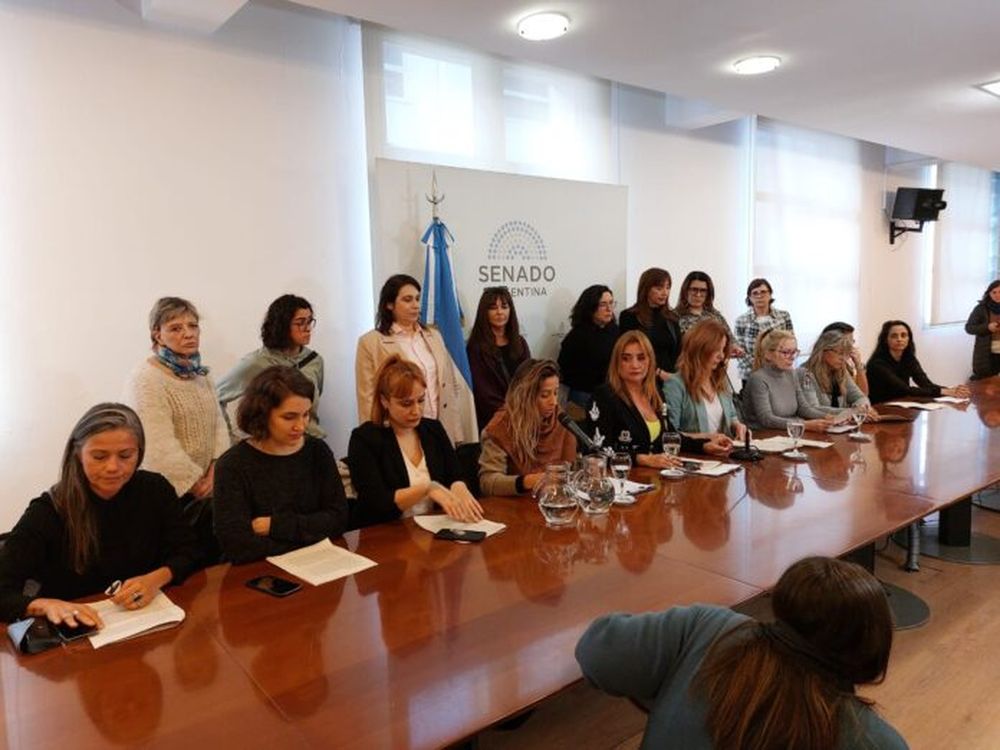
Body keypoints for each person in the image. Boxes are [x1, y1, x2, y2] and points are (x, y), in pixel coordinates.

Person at [575, 556, 907, 750]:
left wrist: (665, 691)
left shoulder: (709, 628)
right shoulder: (871, 739)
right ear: (872, 646)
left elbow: (596, 653)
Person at [0, 403, 199, 627]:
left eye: (126, 455)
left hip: (144, 622)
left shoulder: (155, 489)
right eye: (99, 456)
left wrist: (156, 579)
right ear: (78, 454)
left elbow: (187, 550)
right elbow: (4, 590)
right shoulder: (49, 511)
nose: (113, 467)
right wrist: (43, 604)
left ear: (139, 452)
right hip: (76, 633)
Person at [124, 297, 230, 561]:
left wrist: (216, 469)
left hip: (209, 487)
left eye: (193, 326)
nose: (188, 334)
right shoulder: (146, 379)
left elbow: (219, 424)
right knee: (182, 566)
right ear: (157, 334)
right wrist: (196, 483)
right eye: (175, 328)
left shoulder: (201, 374)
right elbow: (158, 442)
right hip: (169, 495)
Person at [213, 366, 349, 564]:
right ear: (263, 414)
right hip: (260, 573)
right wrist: (308, 536)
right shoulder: (232, 465)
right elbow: (237, 545)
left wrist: (274, 525)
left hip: (319, 564)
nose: (301, 426)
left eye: (305, 414)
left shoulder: (318, 451)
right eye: (289, 417)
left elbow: (338, 519)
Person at [349, 355, 484, 527]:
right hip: (386, 534)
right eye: (406, 404)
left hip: (436, 528)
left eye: (421, 400)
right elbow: (376, 503)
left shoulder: (433, 429)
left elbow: (455, 473)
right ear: (384, 401)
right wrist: (427, 488)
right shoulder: (365, 439)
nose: (416, 410)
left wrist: (459, 486)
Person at [356, 274, 477, 446]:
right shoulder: (371, 342)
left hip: (440, 428)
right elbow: (367, 398)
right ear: (389, 304)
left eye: (417, 299)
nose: (415, 305)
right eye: (407, 300)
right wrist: (374, 439)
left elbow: (447, 388)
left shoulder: (434, 336)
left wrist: (456, 433)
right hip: (397, 432)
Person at [589, 331, 732, 462]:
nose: (635, 365)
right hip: (625, 479)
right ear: (617, 363)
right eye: (626, 359)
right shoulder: (604, 396)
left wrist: (704, 446)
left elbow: (669, 437)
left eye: (641, 358)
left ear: (650, 361)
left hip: (658, 476)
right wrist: (643, 459)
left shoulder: (654, 394)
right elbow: (599, 451)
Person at [217, 294, 326, 440]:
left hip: (310, 442)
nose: (307, 329)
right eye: (300, 323)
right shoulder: (256, 362)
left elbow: (311, 406)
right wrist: (228, 440)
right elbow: (216, 396)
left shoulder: (315, 361)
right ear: (282, 325)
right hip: (272, 447)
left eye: (309, 321)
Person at [479, 359, 577, 496]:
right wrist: (527, 481)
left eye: (555, 393)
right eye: (545, 395)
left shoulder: (560, 419)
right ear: (525, 396)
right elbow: (488, 482)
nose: (553, 402)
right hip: (514, 507)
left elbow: (573, 469)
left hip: (556, 501)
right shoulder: (501, 427)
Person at [663, 319, 748, 441]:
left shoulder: (721, 381)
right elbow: (671, 434)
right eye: (716, 350)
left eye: (723, 350)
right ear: (699, 349)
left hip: (723, 453)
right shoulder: (675, 384)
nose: (721, 356)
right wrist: (707, 437)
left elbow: (732, 415)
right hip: (696, 456)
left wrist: (738, 426)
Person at [465, 286, 531, 431]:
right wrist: (508, 413)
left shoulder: (520, 342)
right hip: (494, 421)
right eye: (493, 308)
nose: (500, 312)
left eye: (504, 306)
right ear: (484, 312)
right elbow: (483, 391)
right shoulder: (475, 347)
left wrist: (524, 408)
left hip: (523, 417)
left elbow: (529, 379)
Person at [743, 328, 835, 432]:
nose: (791, 357)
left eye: (794, 352)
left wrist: (829, 418)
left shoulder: (791, 374)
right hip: (764, 437)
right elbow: (766, 419)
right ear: (768, 354)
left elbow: (803, 408)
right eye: (786, 352)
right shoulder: (758, 379)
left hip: (789, 433)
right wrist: (805, 425)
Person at [866, 320, 970, 404]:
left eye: (904, 335)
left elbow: (925, 384)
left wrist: (952, 390)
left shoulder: (909, 358)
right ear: (885, 339)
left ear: (909, 339)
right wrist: (944, 391)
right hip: (880, 408)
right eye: (894, 336)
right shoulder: (877, 364)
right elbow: (904, 389)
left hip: (902, 403)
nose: (899, 339)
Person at [557, 284, 619, 414]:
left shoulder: (615, 330)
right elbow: (565, 371)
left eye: (611, 303)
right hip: (585, 396)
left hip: (613, 393)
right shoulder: (576, 337)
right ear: (590, 308)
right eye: (603, 304)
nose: (609, 309)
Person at [617, 268, 682, 382]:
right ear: (646, 289)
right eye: (659, 288)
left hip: (669, 380)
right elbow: (627, 354)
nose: (665, 292)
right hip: (642, 379)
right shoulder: (629, 316)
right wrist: (659, 372)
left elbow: (678, 352)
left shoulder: (672, 318)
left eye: (668, 287)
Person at [799, 330, 876, 418]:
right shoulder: (805, 373)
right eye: (840, 353)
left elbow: (860, 397)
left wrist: (863, 408)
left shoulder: (841, 371)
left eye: (846, 354)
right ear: (823, 350)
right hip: (818, 427)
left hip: (841, 425)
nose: (843, 358)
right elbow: (813, 409)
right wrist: (853, 411)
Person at [734, 278, 794, 387]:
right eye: (755, 293)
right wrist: (760, 367)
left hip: (779, 372)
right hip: (751, 374)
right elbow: (740, 350)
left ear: (770, 295)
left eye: (763, 292)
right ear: (750, 298)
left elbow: (791, 343)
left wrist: (777, 364)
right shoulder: (741, 320)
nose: (759, 296)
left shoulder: (783, 316)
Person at [674, 271, 742, 358]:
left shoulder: (716, 316)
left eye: (703, 291)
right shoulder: (674, 317)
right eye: (694, 289)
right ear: (685, 291)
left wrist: (734, 348)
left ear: (708, 293)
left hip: (716, 368)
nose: (698, 294)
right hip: (687, 367)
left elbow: (730, 340)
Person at [964, 280, 1000, 380]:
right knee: (986, 385)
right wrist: (987, 327)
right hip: (986, 354)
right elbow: (969, 328)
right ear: (989, 293)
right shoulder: (981, 309)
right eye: (994, 292)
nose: (997, 295)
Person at [821, 321, 870, 395]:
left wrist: (858, 365)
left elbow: (862, 395)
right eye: (847, 342)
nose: (851, 347)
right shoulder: (811, 372)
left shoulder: (843, 367)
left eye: (851, 342)